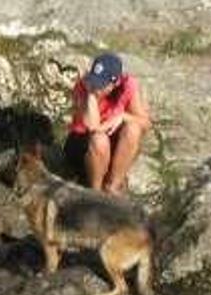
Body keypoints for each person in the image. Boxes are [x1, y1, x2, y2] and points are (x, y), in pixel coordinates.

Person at [63, 53, 152, 196]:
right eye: (94, 80)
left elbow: (146, 123)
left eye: (102, 84)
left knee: (133, 129)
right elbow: (92, 126)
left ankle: (113, 186)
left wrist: (123, 116)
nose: (97, 87)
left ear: (115, 82)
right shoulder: (83, 86)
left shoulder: (128, 85)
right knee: (99, 140)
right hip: (83, 144)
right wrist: (90, 93)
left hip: (109, 141)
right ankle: (96, 193)